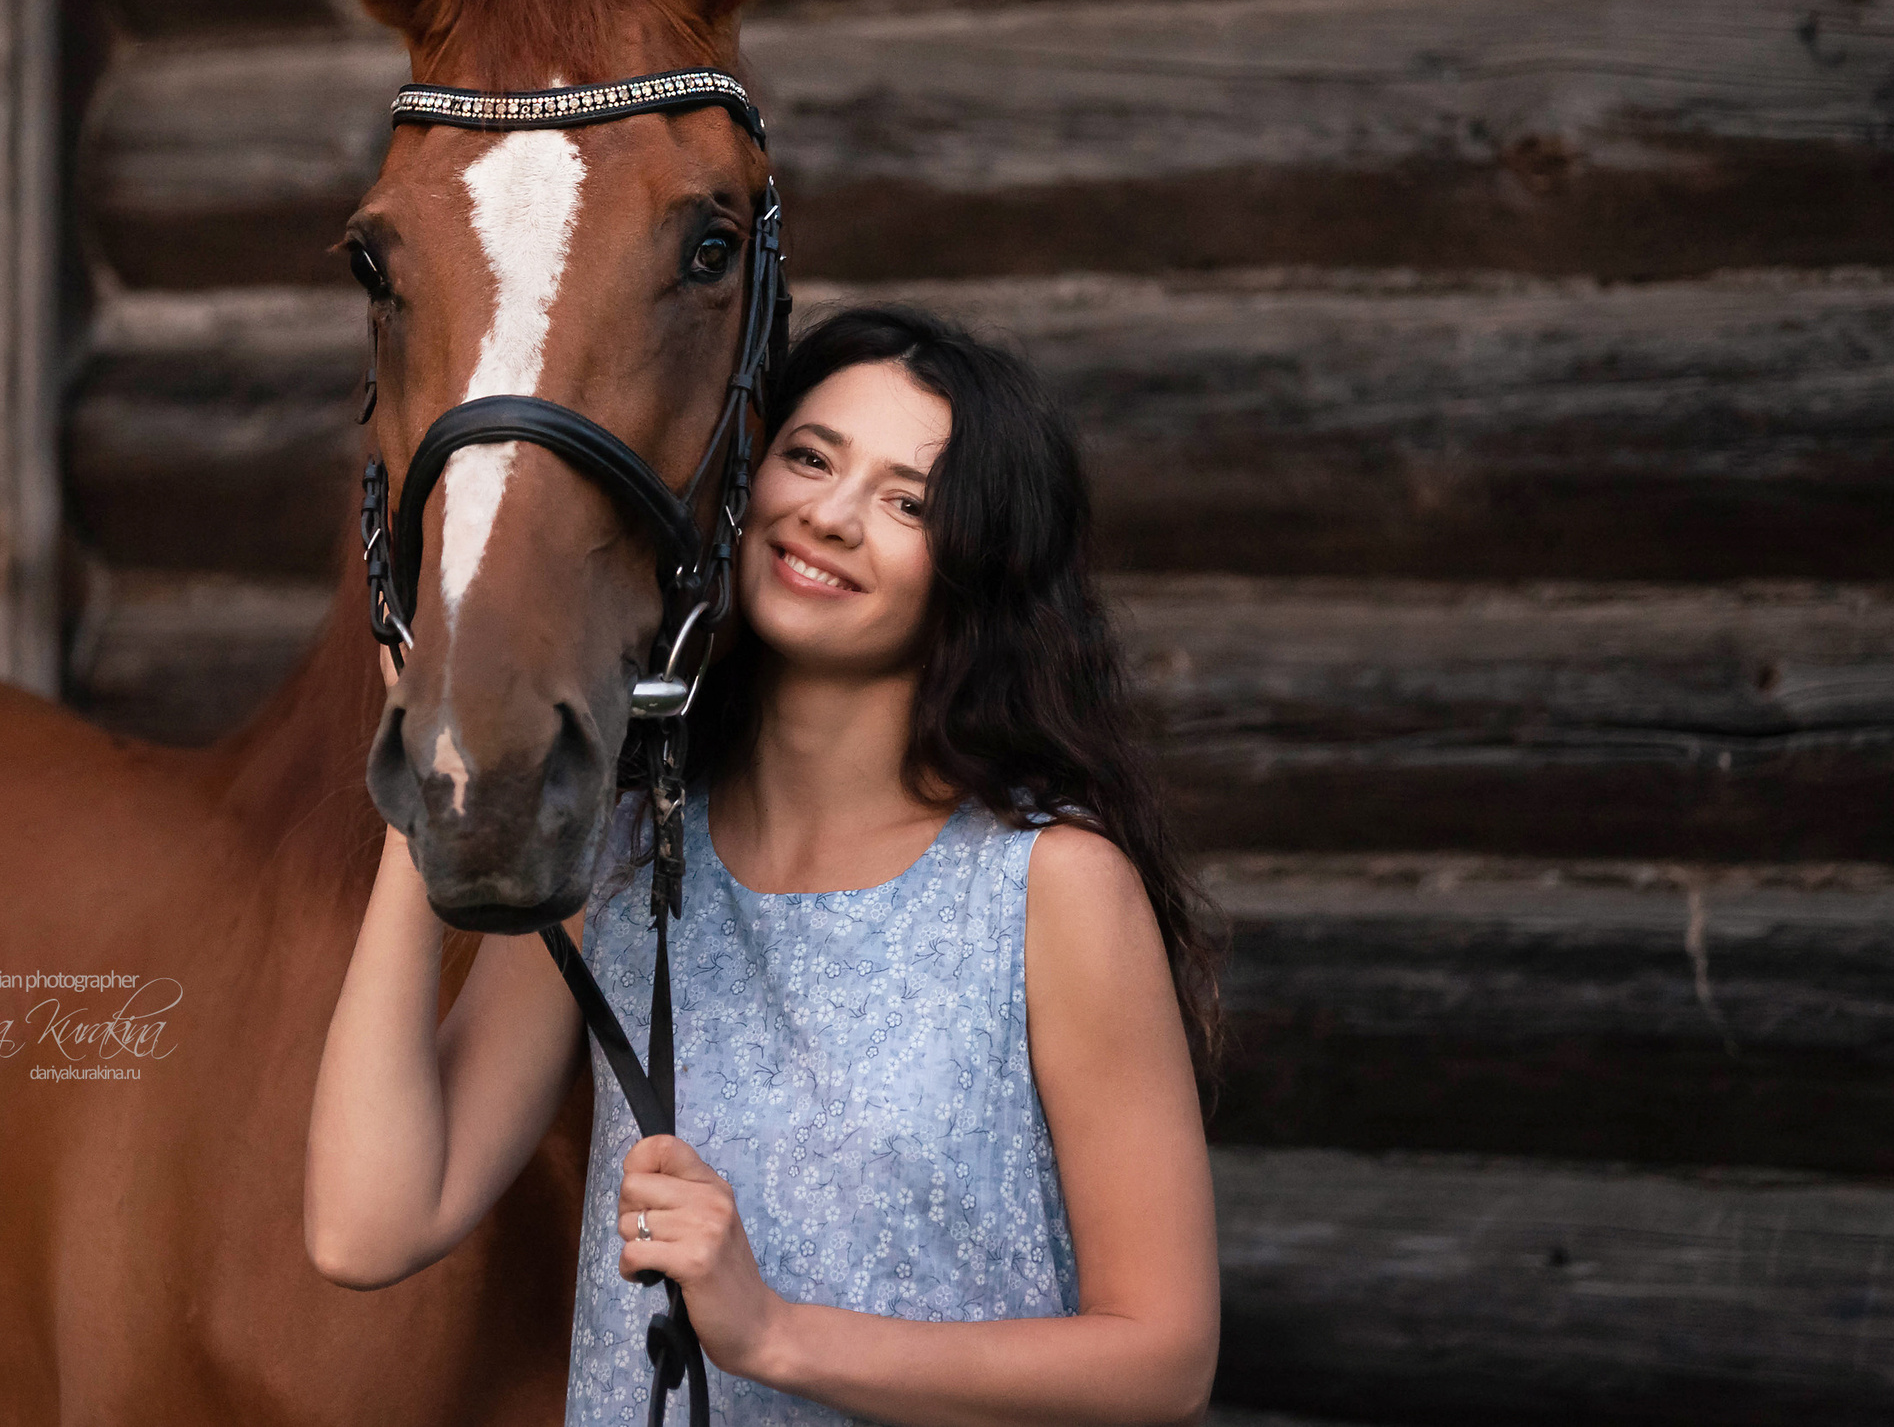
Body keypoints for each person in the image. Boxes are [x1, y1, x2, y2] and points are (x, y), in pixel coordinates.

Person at [308, 304, 1225, 1425]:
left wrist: (775, 1332)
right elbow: (365, 1227)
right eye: (810, 457)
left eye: (908, 502)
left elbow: (1163, 1360)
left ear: (983, 568)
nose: (829, 515)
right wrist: (434, 758)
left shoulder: (1047, 883)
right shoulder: (625, 853)